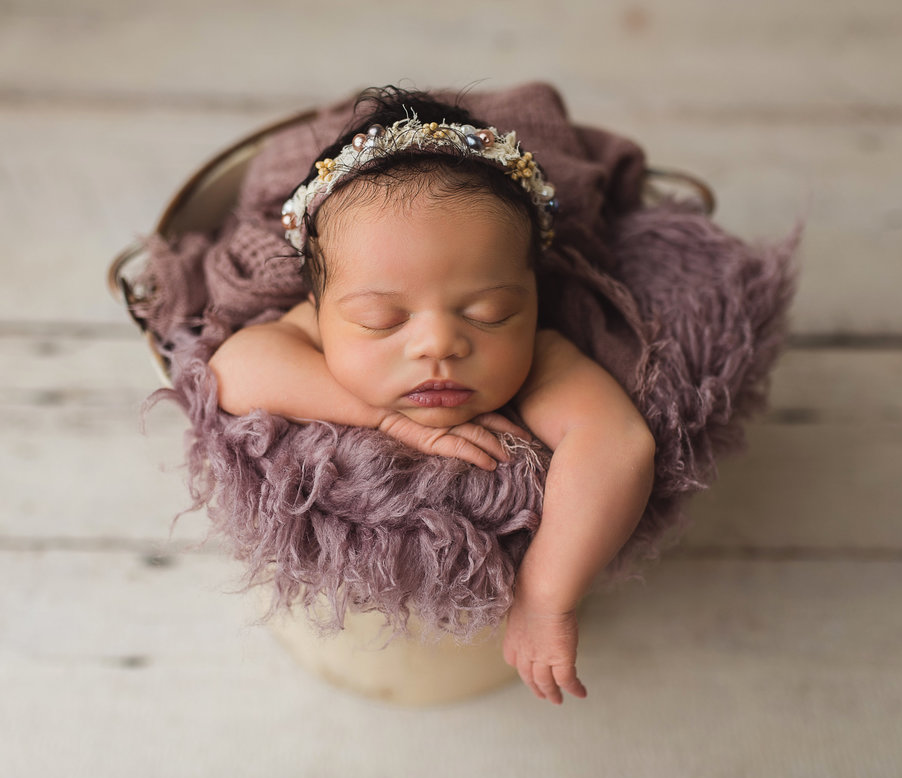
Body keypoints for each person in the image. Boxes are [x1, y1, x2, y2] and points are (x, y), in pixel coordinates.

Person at [207, 88, 656, 705]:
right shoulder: (310, 327)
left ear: (534, 296)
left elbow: (617, 445)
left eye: (491, 312)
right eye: (382, 320)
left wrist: (545, 597)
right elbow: (231, 369)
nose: (440, 343)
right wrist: (390, 422)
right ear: (318, 309)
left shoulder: (544, 361)